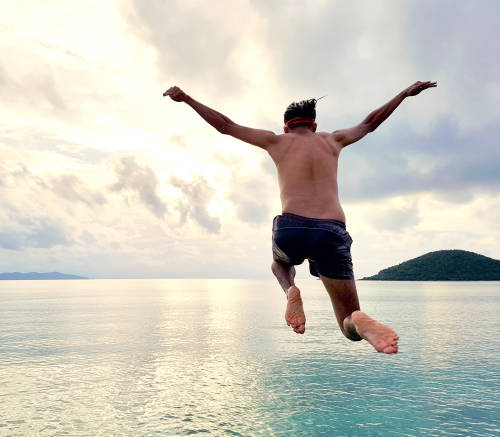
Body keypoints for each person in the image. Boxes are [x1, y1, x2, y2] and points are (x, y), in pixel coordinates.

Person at [163, 81, 436, 354]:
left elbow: (225, 125)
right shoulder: (334, 139)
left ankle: (290, 290)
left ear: (286, 127)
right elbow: (369, 123)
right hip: (331, 232)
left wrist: (187, 98)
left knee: (279, 265)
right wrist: (403, 94)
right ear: (315, 126)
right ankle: (359, 321)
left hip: (291, 228)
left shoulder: (275, 141)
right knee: (347, 323)